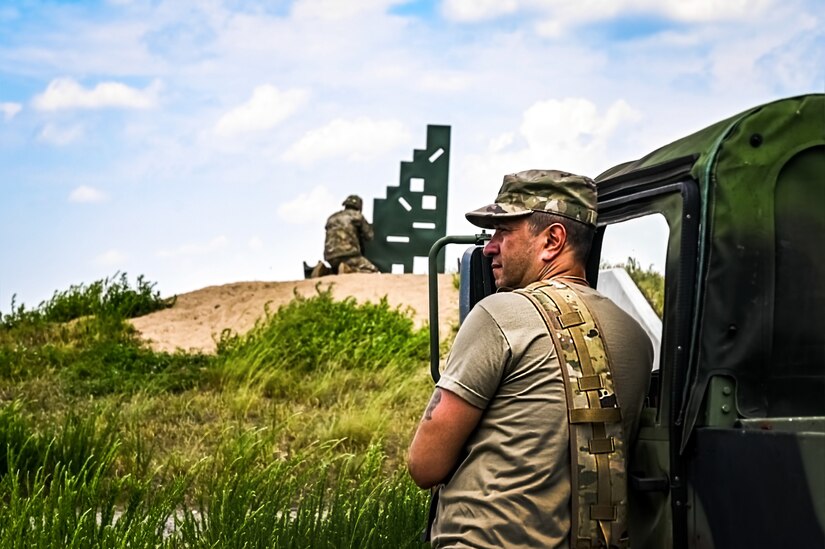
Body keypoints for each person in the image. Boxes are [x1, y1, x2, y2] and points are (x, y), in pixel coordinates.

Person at [408, 169, 653, 548]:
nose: (489, 246)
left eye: (503, 231)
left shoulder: (501, 313)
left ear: (552, 240)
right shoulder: (636, 339)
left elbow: (425, 464)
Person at [322, 194, 379, 274]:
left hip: (330, 256)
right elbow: (369, 236)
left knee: (336, 270)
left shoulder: (332, 218)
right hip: (349, 254)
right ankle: (348, 269)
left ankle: (324, 270)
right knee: (372, 271)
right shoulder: (357, 216)